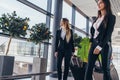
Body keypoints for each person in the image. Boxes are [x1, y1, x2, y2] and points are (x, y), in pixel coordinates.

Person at [84, 0, 116, 80]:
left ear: (106, 3)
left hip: (104, 45)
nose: (98, 4)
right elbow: (93, 33)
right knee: (89, 67)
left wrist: (99, 47)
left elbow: (108, 34)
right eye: (98, 3)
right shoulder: (96, 19)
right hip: (94, 44)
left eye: (101, 2)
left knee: (105, 69)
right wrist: (91, 43)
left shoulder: (111, 17)